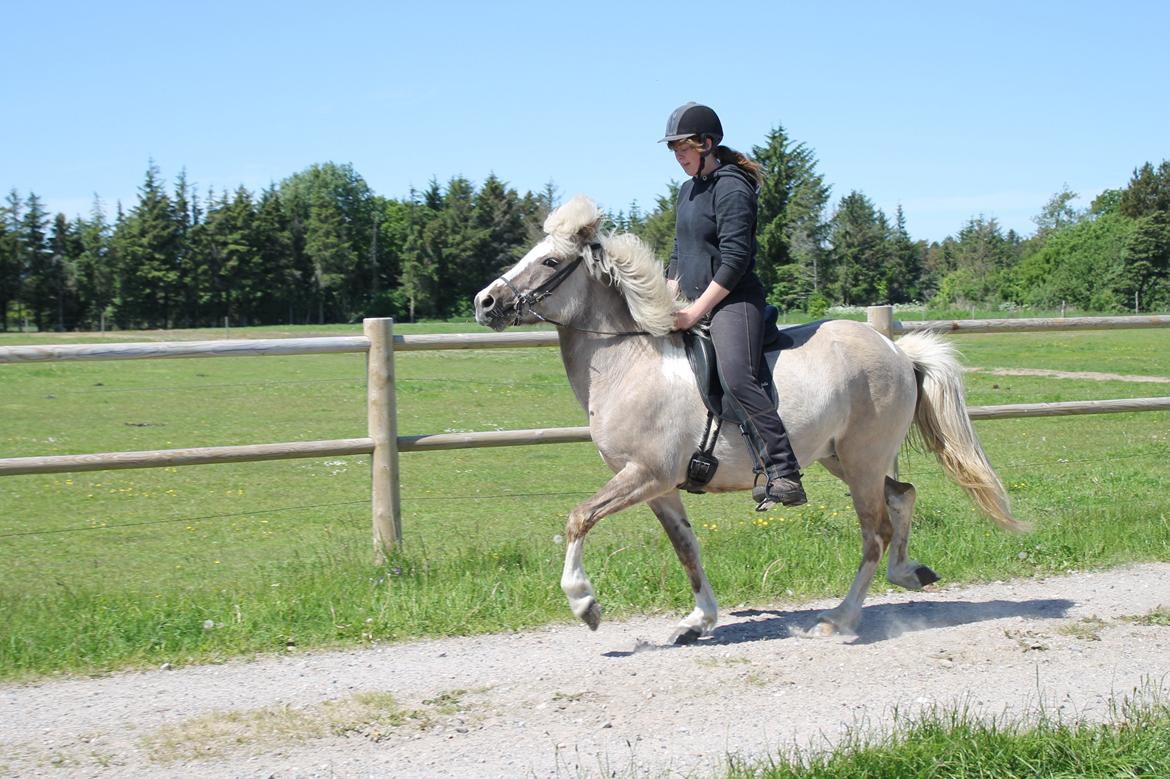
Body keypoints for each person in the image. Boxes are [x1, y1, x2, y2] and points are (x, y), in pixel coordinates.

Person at [661, 102, 806, 508]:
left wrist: (695, 312)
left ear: (707, 144)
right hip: (691, 299)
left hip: (734, 300)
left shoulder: (733, 187)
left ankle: (783, 470)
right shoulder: (687, 190)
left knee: (738, 376)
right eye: (674, 150)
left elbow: (735, 261)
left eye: (684, 148)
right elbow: (679, 252)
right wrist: (667, 298)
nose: (679, 156)